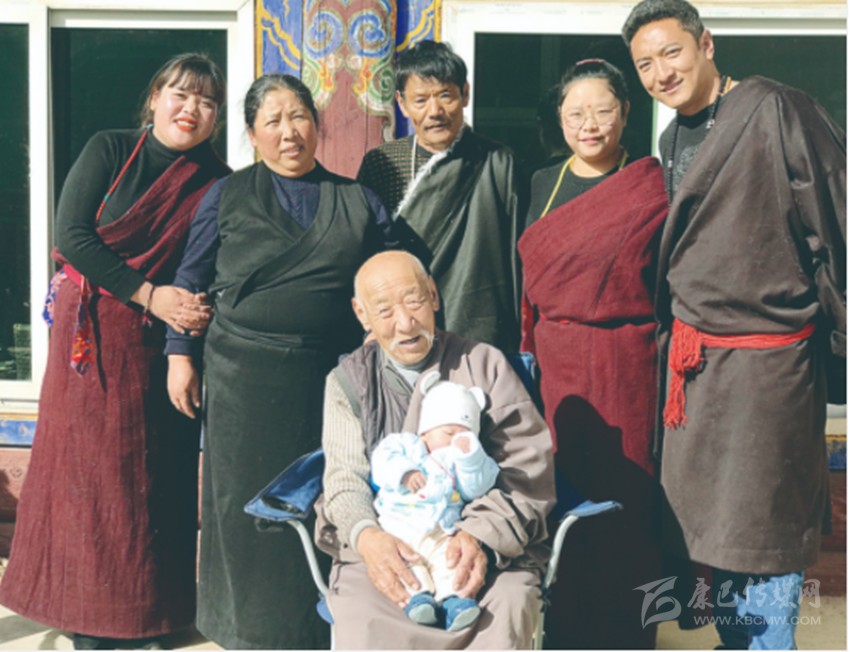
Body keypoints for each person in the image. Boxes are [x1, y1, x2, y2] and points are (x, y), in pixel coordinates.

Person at [622, 0, 846, 648]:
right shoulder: (671, 139)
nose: (661, 73)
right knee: (714, 534)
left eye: (671, 52)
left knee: (763, 531)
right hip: (696, 368)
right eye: (645, 64)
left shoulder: (778, 109)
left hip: (769, 365)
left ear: (707, 44)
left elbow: (836, 223)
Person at [0, 53, 229, 650]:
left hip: (160, 346)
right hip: (93, 334)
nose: (192, 109)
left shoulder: (215, 181)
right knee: (89, 475)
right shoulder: (110, 148)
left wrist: (185, 329)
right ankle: (90, 615)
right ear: (154, 98)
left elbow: (204, 265)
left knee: (152, 477)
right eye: (181, 94)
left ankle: (152, 610)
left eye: (207, 102)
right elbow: (71, 235)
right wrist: (150, 294)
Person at [165, 73, 394, 649]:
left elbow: (392, 275)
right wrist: (180, 355)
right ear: (252, 134)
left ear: (317, 125)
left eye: (299, 117)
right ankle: (242, 633)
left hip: (328, 382)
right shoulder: (226, 195)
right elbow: (191, 279)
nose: (289, 132)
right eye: (273, 121)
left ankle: (322, 632)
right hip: (241, 379)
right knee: (243, 513)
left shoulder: (357, 199)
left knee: (327, 502)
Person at [317, 250, 555, 648]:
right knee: (362, 614)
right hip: (389, 537)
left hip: (480, 541)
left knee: (509, 604)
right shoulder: (347, 382)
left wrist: (477, 535)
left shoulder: (485, 364)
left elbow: (524, 466)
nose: (405, 323)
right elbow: (344, 478)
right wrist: (368, 537)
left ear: (433, 295)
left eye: (414, 301)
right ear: (362, 314)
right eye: (385, 310)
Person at [518, 59, 668, 649]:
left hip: (628, 361)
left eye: (603, 111)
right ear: (558, 118)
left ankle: (630, 634)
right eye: (576, 113)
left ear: (626, 113)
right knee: (562, 488)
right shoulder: (540, 182)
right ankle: (565, 629)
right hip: (556, 365)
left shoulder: (651, 184)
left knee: (629, 492)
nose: (590, 124)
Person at [356, 40, 525, 353]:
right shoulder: (383, 163)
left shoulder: (498, 162)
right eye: (420, 100)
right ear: (402, 104)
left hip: (479, 327)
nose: (435, 112)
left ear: (465, 94)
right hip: (404, 324)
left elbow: (518, 258)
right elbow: (367, 251)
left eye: (445, 96)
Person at [370, 372, 499, 631]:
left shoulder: (459, 462)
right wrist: (405, 473)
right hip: (400, 525)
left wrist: (471, 458)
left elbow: (476, 489)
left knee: (450, 562)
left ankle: (454, 601)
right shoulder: (406, 445)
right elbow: (381, 461)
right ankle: (418, 599)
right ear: (426, 432)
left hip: (442, 530)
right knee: (406, 562)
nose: (455, 440)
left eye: (465, 435)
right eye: (448, 433)